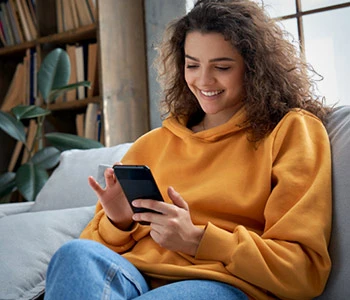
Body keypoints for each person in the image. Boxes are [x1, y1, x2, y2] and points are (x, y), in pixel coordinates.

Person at [44, 0, 333, 299]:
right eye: (192, 65)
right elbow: (94, 254)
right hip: (134, 276)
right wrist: (119, 222)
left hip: (222, 283)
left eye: (222, 67)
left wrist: (197, 239)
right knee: (74, 255)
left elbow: (302, 270)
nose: (204, 81)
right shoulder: (152, 144)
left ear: (254, 68)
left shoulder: (291, 131)